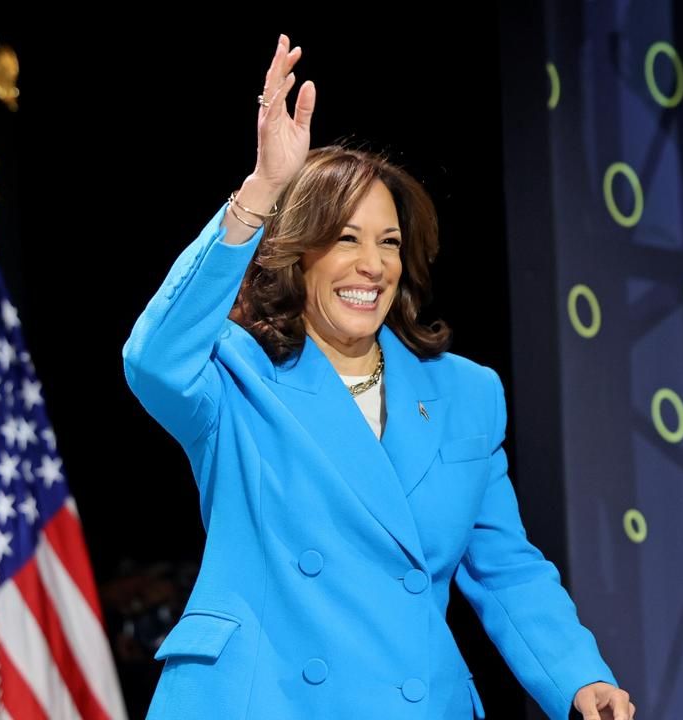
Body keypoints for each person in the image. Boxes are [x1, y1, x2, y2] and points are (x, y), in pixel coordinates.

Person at [122, 34, 634, 720]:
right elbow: (153, 359)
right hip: (264, 701)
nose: (373, 265)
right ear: (299, 253)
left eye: (388, 242)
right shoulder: (236, 375)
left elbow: (505, 567)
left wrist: (579, 676)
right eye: (346, 239)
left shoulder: (466, 394)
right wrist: (262, 189)